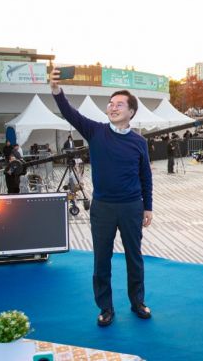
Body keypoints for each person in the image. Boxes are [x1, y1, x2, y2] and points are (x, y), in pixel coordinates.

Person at [50, 66, 153, 327]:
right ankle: (105, 307)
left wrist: (147, 207)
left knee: (134, 257)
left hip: (131, 207)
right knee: (101, 259)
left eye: (119, 104)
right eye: (110, 104)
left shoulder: (139, 142)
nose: (113, 107)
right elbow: (70, 114)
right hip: (103, 208)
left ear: (131, 112)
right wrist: (56, 91)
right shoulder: (96, 131)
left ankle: (137, 302)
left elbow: (146, 177)